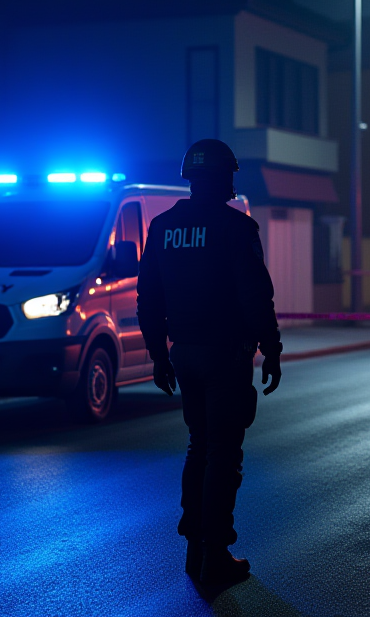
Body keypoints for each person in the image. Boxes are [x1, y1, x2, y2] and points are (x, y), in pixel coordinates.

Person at [137, 139, 283, 587]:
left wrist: (158, 355)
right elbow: (255, 295)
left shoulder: (162, 227)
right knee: (222, 453)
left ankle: (194, 548)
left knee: (198, 447)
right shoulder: (237, 227)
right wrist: (271, 348)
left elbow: (148, 298)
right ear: (223, 177)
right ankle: (215, 555)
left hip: (184, 354)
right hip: (225, 355)